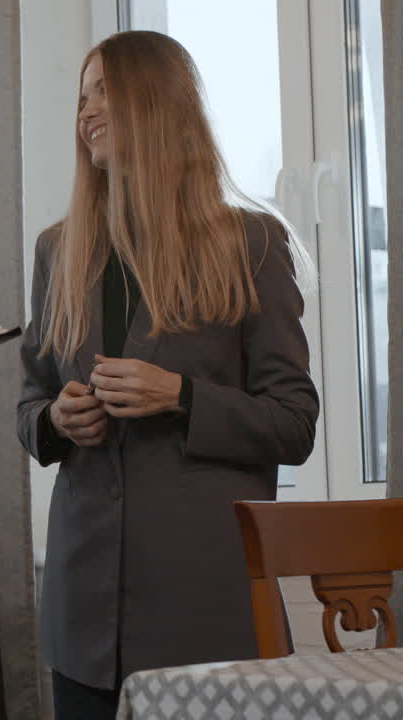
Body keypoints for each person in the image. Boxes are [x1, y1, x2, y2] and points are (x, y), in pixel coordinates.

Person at [17, 30, 320, 720]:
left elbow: (295, 421)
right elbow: (30, 400)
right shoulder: (56, 251)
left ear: (157, 104)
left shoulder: (250, 243)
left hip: (202, 609)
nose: (85, 112)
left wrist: (181, 397)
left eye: (105, 93)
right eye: (81, 96)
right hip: (83, 614)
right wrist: (55, 420)